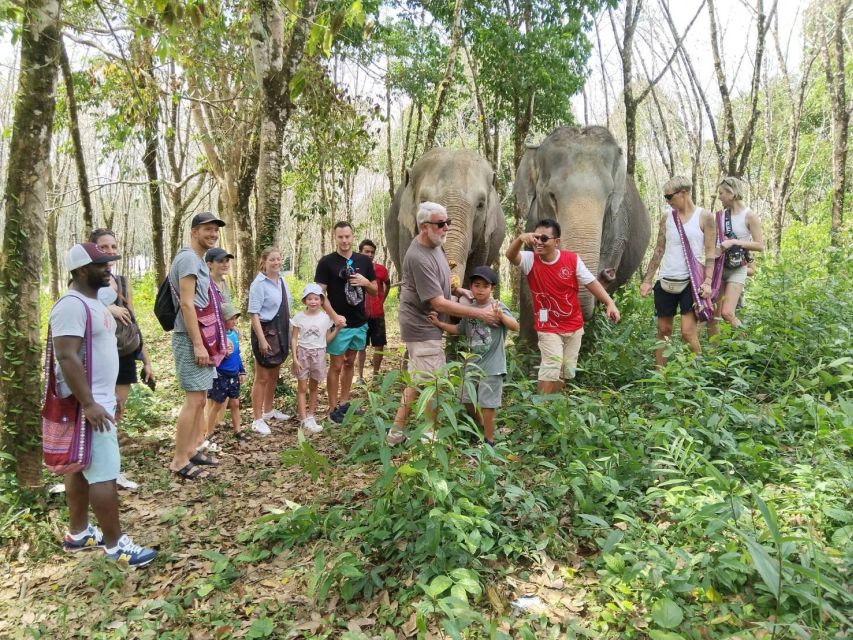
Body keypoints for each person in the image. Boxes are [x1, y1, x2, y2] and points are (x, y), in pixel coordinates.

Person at [50, 243, 157, 566]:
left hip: (99, 400)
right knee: (105, 474)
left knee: (81, 468)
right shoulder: (71, 305)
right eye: (101, 264)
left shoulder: (94, 302)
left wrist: (108, 397)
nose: (109, 268)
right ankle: (116, 547)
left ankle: (79, 532)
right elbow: (66, 356)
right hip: (89, 407)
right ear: (82, 270)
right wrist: (90, 404)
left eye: (109, 262)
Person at [386, 202, 501, 446]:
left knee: (418, 380)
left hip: (427, 324)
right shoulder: (418, 256)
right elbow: (437, 302)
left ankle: (395, 434)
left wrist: (459, 289)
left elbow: (441, 282)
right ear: (424, 227)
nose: (447, 227)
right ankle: (430, 436)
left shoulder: (436, 246)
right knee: (433, 383)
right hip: (423, 325)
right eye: (441, 224)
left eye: (447, 222)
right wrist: (479, 314)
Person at [506, 219, 621, 393]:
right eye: (536, 237)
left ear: (556, 242)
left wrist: (610, 303)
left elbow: (591, 283)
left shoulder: (571, 259)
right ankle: (541, 410)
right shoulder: (530, 260)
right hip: (548, 326)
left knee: (565, 371)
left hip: (573, 325)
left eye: (544, 238)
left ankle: (556, 407)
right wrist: (521, 239)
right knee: (551, 367)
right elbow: (510, 255)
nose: (538, 242)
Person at [89, 228, 155, 491]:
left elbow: (134, 323)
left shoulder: (123, 282)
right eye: (103, 247)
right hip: (98, 356)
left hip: (125, 353)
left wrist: (146, 359)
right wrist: (107, 307)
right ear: (93, 249)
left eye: (113, 246)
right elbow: (78, 308)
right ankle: (95, 468)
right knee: (98, 411)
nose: (109, 251)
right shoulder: (85, 281)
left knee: (117, 410)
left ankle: (112, 469)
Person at [427, 266, 518, 447]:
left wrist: (501, 316)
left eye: (485, 286)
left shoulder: (497, 306)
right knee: (466, 399)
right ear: (471, 287)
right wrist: (439, 324)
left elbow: (515, 326)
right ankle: (482, 426)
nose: (480, 289)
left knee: (488, 404)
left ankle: (489, 440)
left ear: (492, 288)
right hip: (471, 365)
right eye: (477, 285)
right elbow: (459, 330)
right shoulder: (469, 310)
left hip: (492, 365)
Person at [169, 212, 229, 480]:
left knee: (201, 398)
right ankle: (179, 460)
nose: (212, 234)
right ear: (194, 231)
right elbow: (186, 303)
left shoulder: (197, 261)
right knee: (194, 401)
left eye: (215, 230)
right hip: (190, 338)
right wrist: (197, 344)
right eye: (207, 229)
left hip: (203, 338)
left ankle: (192, 449)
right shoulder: (187, 259)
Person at [639, 176, 717, 367]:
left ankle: (697, 376)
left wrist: (708, 282)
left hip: (690, 280)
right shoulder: (667, 217)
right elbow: (659, 249)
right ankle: (661, 376)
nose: (667, 201)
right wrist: (647, 280)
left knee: (687, 332)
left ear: (684, 193)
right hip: (666, 279)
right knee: (663, 329)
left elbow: (710, 252)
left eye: (669, 196)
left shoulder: (705, 217)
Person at [314, 222, 377, 424]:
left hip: (359, 322)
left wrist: (366, 282)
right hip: (339, 324)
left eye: (347, 237)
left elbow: (375, 289)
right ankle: (333, 409)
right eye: (340, 237)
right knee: (337, 365)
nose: (344, 241)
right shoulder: (326, 263)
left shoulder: (364, 261)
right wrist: (333, 316)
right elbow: (318, 294)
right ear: (335, 237)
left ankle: (344, 403)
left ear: (353, 236)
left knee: (350, 362)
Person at [248, 247, 292, 435]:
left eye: (278, 259)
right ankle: (257, 419)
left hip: (281, 330)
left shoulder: (282, 281)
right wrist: (262, 339)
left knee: (274, 373)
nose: (276, 262)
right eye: (272, 259)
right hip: (265, 331)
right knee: (262, 376)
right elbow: (254, 314)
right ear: (264, 261)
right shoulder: (259, 283)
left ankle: (268, 410)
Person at [710, 176, 764, 329]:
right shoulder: (720, 216)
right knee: (715, 314)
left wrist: (734, 242)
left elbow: (760, 245)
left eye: (721, 193)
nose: (719, 197)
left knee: (727, 313)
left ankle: (744, 344)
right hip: (719, 267)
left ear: (731, 194)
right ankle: (714, 351)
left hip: (737, 268)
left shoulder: (749, 215)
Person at [291, 283, 339, 434]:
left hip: (319, 353)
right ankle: (304, 418)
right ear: (305, 300)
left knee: (314, 386)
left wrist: (338, 328)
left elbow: (327, 339)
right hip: (303, 353)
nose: (313, 302)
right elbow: (294, 339)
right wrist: (294, 357)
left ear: (321, 301)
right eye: (309, 299)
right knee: (302, 387)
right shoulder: (299, 317)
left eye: (316, 299)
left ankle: (311, 415)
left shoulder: (325, 318)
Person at [203, 303, 247, 446]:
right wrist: (222, 354)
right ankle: (208, 432)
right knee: (216, 404)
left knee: (235, 403)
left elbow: (237, 354)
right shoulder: (216, 336)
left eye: (235, 318)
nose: (234, 321)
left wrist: (241, 370)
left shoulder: (234, 334)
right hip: (221, 375)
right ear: (222, 320)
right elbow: (212, 356)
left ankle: (238, 430)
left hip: (233, 375)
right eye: (231, 319)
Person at [356, 239, 390, 385]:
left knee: (379, 345)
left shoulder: (381, 269)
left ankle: (376, 375)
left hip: (377, 313)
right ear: (360, 252)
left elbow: (387, 285)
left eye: (372, 252)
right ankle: (360, 376)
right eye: (366, 252)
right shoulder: (355, 269)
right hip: (360, 314)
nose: (369, 255)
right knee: (360, 346)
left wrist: (382, 300)